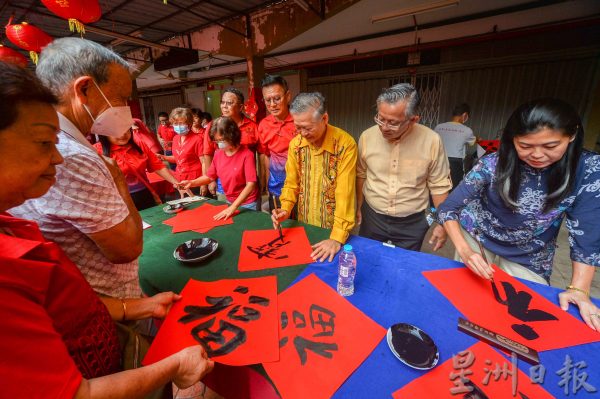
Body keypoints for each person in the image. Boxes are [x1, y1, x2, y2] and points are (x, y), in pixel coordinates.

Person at [0, 60, 214, 399]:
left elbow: (63, 305)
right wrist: (173, 367)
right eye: (43, 143)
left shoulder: (12, 226)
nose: (57, 159)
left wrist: (137, 307)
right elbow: (74, 393)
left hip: (111, 345)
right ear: (83, 89)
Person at [438, 98, 600, 330]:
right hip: (477, 238)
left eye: (550, 146)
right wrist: (465, 251)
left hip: (530, 252)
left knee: (517, 315)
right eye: (524, 145)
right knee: (466, 303)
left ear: (572, 135)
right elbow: (448, 208)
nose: (537, 155)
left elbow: (587, 235)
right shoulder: (493, 163)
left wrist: (578, 289)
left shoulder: (589, 169)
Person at [10, 37, 143, 299]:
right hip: (106, 306)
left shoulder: (63, 143)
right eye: (121, 98)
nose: (55, 158)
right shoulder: (72, 156)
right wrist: (117, 179)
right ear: (83, 90)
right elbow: (126, 248)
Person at [356, 83, 451, 251]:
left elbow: (439, 186)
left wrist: (443, 222)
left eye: (393, 123)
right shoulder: (367, 137)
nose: (384, 127)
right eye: (380, 118)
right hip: (373, 216)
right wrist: (358, 206)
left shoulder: (432, 141)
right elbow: (361, 174)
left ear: (413, 120)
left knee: (404, 266)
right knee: (367, 258)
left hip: (412, 222)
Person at [272, 92, 357, 262]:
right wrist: (285, 208)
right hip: (304, 224)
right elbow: (291, 183)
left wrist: (337, 237)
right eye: (298, 127)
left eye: (308, 128)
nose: (302, 133)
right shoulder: (295, 145)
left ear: (324, 119)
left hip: (334, 229)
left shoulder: (345, 144)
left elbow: (344, 193)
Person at [180, 116, 260, 218]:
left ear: (232, 136)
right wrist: (191, 182)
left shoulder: (246, 154)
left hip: (248, 203)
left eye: (222, 140)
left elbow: (251, 184)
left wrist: (233, 207)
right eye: (217, 141)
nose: (219, 144)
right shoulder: (218, 153)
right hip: (230, 200)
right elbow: (209, 177)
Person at [94, 128, 182, 210]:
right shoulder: (96, 151)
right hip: (117, 199)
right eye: (116, 133)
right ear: (104, 134)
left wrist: (177, 184)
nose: (122, 135)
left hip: (144, 193)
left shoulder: (138, 144)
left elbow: (157, 165)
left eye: (126, 130)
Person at [203, 88, 258, 198]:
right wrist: (211, 180)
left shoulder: (252, 126)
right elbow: (208, 153)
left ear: (241, 107)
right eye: (222, 102)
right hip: (224, 183)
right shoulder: (213, 126)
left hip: (248, 183)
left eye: (229, 103)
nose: (224, 106)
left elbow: (260, 154)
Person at [257, 74, 296, 211]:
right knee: (280, 225)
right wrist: (267, 184)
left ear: (288, 96)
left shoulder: (300, 120)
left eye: (277, 98)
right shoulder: (263, 125)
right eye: (268, 100)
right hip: (276, 187)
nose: (272, 105)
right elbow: (266, 156)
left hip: (300, 188)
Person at [157, 107, 208, 196]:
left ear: (189, 124)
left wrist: (204, 184)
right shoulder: (176, 138)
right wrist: (163, 157)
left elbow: (204, 162)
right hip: (179, 181)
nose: (178, 126)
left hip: (195, 181)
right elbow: (178, 158)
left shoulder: (197, 139)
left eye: (181, 123)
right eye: (175, 124)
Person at [434, 103, 476, 189]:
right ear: (465, 115)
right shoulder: (467, 130)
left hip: (438, 161)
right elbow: (472, 142)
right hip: (455, 163)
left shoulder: (439, 127)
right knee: (454, 187)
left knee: (437, 186)